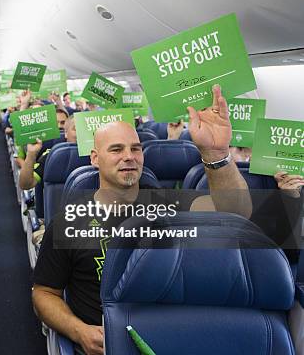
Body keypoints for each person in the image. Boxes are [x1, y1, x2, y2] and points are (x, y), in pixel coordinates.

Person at [32, 85, 253, 355]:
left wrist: (217, 154)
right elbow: (44, 294)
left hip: (170, 337)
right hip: (107, 344)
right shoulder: (69, 222)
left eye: (135, 149)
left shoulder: (170, 206)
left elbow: (236, 216)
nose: (129, 157)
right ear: (95, 159)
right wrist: (80, 331)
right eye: (116, 149)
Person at [18, 115, 77, 191]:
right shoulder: (52, 155)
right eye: (76, 128)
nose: (81, 133)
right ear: (66, 132)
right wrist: (31, 154)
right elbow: (25, 185)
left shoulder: (96, 155)